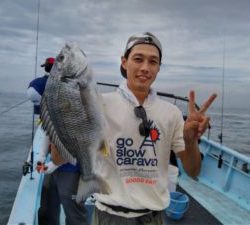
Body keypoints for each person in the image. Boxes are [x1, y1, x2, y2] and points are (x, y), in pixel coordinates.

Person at [52, 32, 217, 225]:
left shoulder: (172, 113)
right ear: (124, 62)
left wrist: (190, 141)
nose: (145, 68)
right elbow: (57, 158)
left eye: (153, 62)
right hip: (108, 216)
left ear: (159, 68)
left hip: (154, 217)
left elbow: (193, 171)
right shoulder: (98, 104)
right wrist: (64, 117)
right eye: (138, 59)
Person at [27, 57, 88, 225]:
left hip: (72, 169)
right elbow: (48, 129)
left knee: (73, 211)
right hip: (54, 164)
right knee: (47, 204)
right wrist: (41, 156)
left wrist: (55, 163)